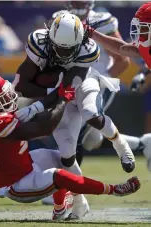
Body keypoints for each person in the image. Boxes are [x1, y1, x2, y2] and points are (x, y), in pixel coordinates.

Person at [0, 73, 140, 221]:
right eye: (2, 98)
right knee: (58, 175)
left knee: (62, 158)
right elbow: (45, 129)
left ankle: (60, 208)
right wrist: (63, 99)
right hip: (16, 184)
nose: (9, 99)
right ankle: (114, 190)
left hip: (25, 164)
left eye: (6, 95)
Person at [13, 13, 136, 218]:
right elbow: (21, 85)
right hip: (56, 91)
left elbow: (66, 91)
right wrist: (41, 93)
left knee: (91, 114)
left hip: (82, 83)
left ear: (79, 42)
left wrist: (34, 108)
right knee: (67, 154)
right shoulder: (38, 42)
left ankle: (121, 146)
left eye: (68, 48)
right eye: (59, 47)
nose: (62, 53)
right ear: (50, 38)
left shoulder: (87, 50)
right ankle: (79, 202)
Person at [49, 0, 150, 172]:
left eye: (144, 27)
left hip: (94, 83)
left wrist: (100, 81)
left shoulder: (104, 20)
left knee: (74, 134)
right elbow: (125, 49)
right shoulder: (60, 20)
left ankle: (68, 189)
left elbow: (122, 60)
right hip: (71, 85)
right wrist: (94, 34)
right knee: (89, 139)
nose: (139, 32)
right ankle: (143, 144)